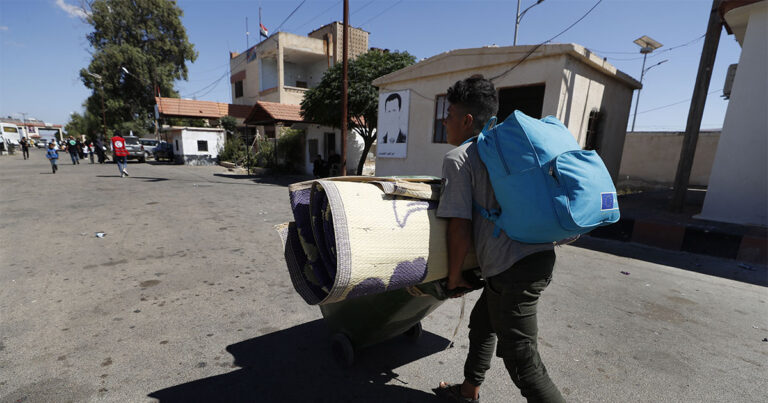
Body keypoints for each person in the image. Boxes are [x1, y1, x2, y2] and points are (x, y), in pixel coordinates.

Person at [434, 76, 565, 403]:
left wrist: (453, 279)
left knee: (523, 363)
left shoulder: (460, 158)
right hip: (535, 255)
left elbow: (459, 226)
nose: (443, 120)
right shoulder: (507, 151)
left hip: (512, 270)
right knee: (482, 323)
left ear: (466, 120)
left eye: (448, 114)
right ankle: (468, 392)